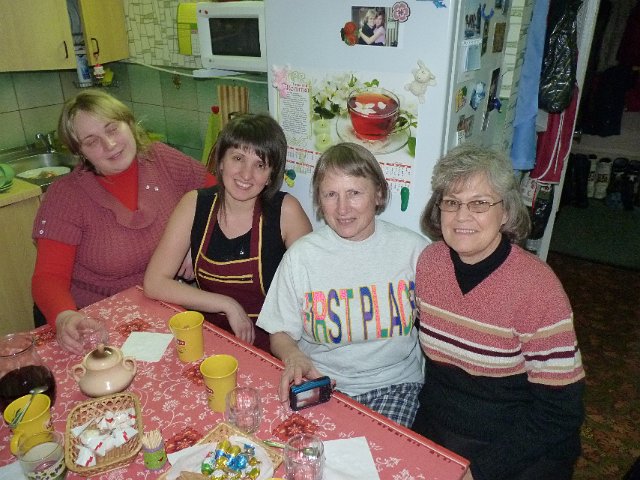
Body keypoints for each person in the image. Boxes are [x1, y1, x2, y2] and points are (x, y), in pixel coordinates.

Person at [411, 144, 585, 480]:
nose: (462, 216)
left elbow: (561, 411)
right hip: (444, 426)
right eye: (452, 202)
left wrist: (482, 471)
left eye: (479, 203)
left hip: (519, 443)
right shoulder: (429, 263)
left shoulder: (537, 287)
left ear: (505, 211)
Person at [31, 89, 216, 355]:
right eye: (92, 141)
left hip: (163, 306)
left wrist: (196, 242)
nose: (109, 144)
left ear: (128, 123)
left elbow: (217, 198)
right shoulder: (66, 196)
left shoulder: (161, 159)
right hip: (96, 322)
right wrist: (65, 316)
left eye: (112, 128)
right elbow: (48, 276)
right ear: (80, 152)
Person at [256, 142, 427, 427]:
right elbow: (280, 331)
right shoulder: (301, 256)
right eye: (331, 194)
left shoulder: (414, 251)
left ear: (379, 193)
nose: (343, 208)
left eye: (354, 193)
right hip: (320, 382)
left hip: (394, 385)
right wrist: (293, 355)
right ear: (319, 200)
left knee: (374, 452)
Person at [144, 114, 312, 353]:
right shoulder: (194, 204)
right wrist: (227, 304)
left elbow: (311, 294)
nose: (246, 174)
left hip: (271, 344)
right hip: (207, 337)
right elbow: (154, 283)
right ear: (221, 161)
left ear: (271, 176)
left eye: (260, 165)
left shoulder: (287, 212)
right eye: (238, 158)